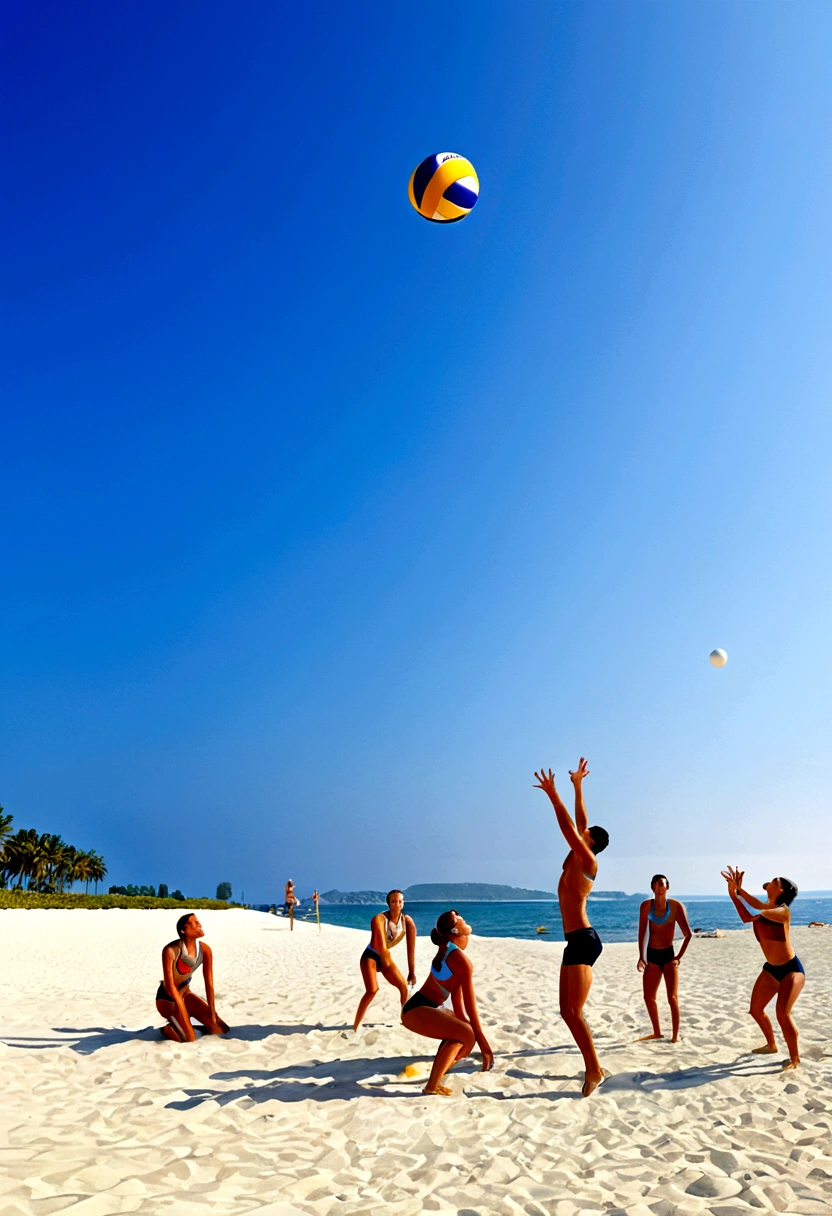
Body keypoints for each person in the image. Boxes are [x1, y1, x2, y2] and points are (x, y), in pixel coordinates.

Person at [534, 759, 610, 1096]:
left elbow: (569, 828)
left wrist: (554, 796)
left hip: (584, 941)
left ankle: (594, 1070)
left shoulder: (588, 861)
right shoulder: (577, 854)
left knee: (573, 1011)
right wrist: (578, 785)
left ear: (590, 843)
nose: (582, 832)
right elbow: (580, 823)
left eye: (586, 835)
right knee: (567, 1011)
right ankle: (595, 1065)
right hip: (574, 941)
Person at [401, 909, 494, 1095]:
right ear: (455, 931)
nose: (463, 919)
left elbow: (457, 998)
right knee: (467, 1034)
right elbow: (470, 1003)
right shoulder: (458, 959)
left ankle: (443, 1066)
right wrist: (482, 1041)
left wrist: (465, 1025)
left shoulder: (450, 951)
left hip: (426, 1008)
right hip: (417, 1010)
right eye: (459, 918)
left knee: (465, 1034)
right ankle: (431, 1086)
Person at [721, 866, 804, 1070]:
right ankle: (771, 1045)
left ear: (782, 890)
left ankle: (794, 1059)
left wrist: (737, 891)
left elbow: (753, 910)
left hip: (791, 970)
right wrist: (734, 894)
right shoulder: (766, 911)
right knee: (756, 1010)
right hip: (771, 970)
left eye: (775, 880)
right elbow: (747, 916)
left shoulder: (782, 911)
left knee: (782, 1014)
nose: (770, 880)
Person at [156, 913, 229, 1043]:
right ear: (183, 930)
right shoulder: (171, 950)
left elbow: (209, 983)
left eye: (198, 922)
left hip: (186, 995)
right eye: (194, 923)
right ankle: (168, 1028)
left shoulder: (205, 950)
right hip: (168, 1000)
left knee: (220, 1029)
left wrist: (212, 1013)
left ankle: (184, 1024)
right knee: (189, 1038)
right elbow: (170, 986)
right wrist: (183, 1013)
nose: (199, 925)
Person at [636, 874, 692, 1042]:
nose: (662, 886)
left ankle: (675, 1036)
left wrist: (679, 957)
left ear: (668, 887)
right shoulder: (646, 906)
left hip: (668, 956)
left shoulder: (675, 906)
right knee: (648, 997)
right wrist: (641, 956)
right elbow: (642, 932)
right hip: (652, 955)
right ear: (653, 887)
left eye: (665, 884)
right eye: (659, 883)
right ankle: (657, 1032)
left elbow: (688, 934)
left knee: (672, 998)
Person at [353, 889, 417, 1030]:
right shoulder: (379, 919)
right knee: (372, 990)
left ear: (403, 903)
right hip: (371, 956)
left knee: (404, 988)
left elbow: (410, 948)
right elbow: (381, 948)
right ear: (388, 903)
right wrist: (388, 964)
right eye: (393, 901)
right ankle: (355, 1025)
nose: (397, 904)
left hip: (385, 956)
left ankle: (405, 1020)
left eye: (400, 901)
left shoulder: (407, 921)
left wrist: (412, 972)